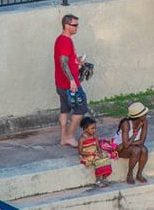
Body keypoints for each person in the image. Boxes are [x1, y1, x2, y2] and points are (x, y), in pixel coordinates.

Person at [54, 14, 90, 147]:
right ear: (66, 25)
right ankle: (69, 136)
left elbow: (67, 60)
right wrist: (72, 80)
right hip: (70, 84)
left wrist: (77, 61)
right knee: (81, 108)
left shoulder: (61, 39)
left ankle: (63, 138)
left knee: (64, 109)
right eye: (74, 25)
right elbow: (63, 62)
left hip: (61, 83)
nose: (77, 28)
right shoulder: (65, 41)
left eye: (77, 25)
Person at [115, 102, 149, 185]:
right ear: (138, 116)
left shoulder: (144, 122)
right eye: (144, 114)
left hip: (126, 145)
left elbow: (142, 141)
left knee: (144, 150)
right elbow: (126, 146)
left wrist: (126, 143)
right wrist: (136, 131)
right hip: (119, 149)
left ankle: (139, 174)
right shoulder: (126, 124)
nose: (146, 115)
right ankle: (130, 174)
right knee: (136, 151)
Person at [78, 117, 118, 187]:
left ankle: (104, 178)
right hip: (87, 154)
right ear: (85, 129)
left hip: (95, 152)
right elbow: (80, 151)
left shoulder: (95, 136)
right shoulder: (82, 139)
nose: (94, 130)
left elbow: (98, 146)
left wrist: (99, 152)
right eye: (92, 128)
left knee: (105, 158)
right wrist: (92, 153)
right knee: (98, 161)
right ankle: (98, 180)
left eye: (95, 128)